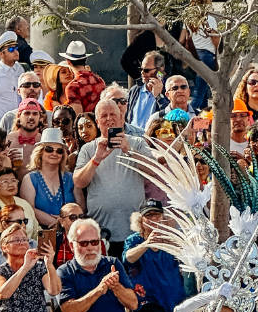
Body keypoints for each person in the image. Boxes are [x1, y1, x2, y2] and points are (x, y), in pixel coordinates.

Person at [74, 100, 151, 254]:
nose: (109, 119)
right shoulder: (88, 149)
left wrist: (129, 151)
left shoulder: (137, 143)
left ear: (122, 118)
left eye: (113, 114)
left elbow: (153, 170)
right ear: (97, 122)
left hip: (135, 230)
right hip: (102, 232)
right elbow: (79, 181)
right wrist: (96, 159)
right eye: (104, 116)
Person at [123, 199, 186, 312]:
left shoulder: (172, 237)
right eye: (148, 216)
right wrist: (146, 244)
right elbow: (128, 258)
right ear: (141, 220)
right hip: (147, 302)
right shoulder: (134, 240)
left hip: (173, 300)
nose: (153, 219)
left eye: (156, 215)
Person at [20, 127, 79, 229]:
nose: (54, 153)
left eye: (59, 151)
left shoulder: (71, 177)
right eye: (49, 149)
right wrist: (57, 223)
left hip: (70, 232)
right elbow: (29, 209)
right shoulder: (29, 178)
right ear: (40, 152)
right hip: (42, 233)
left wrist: (67, 221)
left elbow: (81, 206)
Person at [0, 166, 38, 245]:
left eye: (13, 180)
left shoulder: (25, 204)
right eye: (5, 182)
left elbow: (36, 231)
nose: (10, 184)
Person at [59, 40, 106, 115]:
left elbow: (77, 116)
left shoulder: (73, 87)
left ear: (68, 62)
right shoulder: (100, 81)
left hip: (86, 124)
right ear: (85, 59)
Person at [128, 51, 167, 131]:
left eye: (146, 70)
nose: (142, 73)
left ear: (160, 70)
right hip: (132, 138)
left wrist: (159, 96)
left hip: (152, 139)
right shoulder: (135, 90)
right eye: (141, 69)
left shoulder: (169, 90)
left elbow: (170, 116)